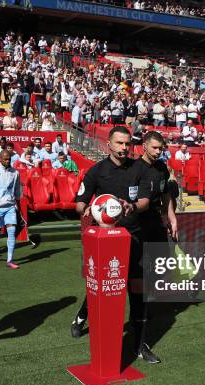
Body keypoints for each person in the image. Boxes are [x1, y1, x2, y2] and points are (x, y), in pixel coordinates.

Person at [71, 126, 157, 363]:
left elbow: (144, 202)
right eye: (119, 143)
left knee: (138, 290)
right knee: (103, 287)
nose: (124, 148)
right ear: (108, 144)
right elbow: (79, 204)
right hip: (105, 241)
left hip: (133, 237)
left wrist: (132, 206)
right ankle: (82, 316)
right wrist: (88, 208)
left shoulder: (141, 169)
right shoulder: (96, 172)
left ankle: (140, 345)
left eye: (127, 143)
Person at [132, 131, 179, 364]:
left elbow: (166, 196)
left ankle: (141, 337)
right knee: (120, 278)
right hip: (133, 229)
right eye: (155, 148)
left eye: (161, 148)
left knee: (158, 270)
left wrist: (172, 218)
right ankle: (83, 315)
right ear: (144, 147)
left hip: (155, 226)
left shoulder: (162, 169)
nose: (159, 152)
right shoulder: (134, 169)